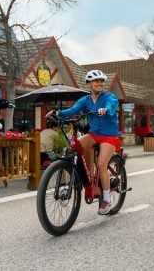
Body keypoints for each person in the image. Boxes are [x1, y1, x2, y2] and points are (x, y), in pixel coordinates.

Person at [47, 69, 120, 215]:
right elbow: (73, 110)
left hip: (109, 136)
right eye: (96, 81)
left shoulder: (108, 97)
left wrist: (106, 109)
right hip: (94, 134)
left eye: (101, 81)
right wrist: (57, 113)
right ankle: (86, 177)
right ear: (89, 84)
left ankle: (106, 199)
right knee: (75, 145)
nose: (99, 83)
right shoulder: (85, 100)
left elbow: (113, 104)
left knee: (101, 164)